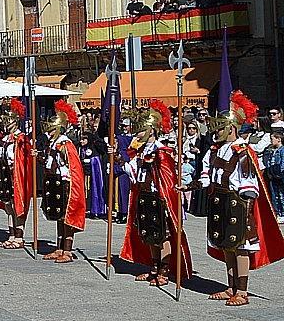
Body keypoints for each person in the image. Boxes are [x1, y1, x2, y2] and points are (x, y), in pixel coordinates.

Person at [200, 91, 284, 306]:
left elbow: (249, 184)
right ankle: (231, 287)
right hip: (221, 202)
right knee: (226, 246)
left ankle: (243, 291)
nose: (216, 131)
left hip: (238, 205)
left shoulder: (243, 151)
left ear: (231, 127)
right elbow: (208, 175)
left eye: (220, 126)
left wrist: (247, 210)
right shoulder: (216, 150)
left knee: (240, 246)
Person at [120, 100, 193, 285]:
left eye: (141, 129)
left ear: (151, 130)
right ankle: (153, 267)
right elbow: (135, 174)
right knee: (150, 234)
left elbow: (167, 178)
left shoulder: (162, 151)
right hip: (145, 196)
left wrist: (167, 201)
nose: (137, 133)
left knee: (164, 234)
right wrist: (121, 162)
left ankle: (164, 269)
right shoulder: (140, 150)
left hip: (160, 199)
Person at [40, 100, 86, 263]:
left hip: (66, 183)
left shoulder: (66, 144)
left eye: (52, 128)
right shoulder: (52, 143)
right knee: (58, 215)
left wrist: (61, 154)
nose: (49, 131)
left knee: (67, 217)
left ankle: (68, 250)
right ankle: (59, 247)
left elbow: (71, 164)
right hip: (55, 181)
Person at [0, 99, 33, 249]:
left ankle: (19, 238)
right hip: (5, 173)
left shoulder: (21, 138)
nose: (6, 125)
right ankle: (12, 234)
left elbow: (24, 158)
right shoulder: (5, 139)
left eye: (9, 122)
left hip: (16, 175)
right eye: (5, 122)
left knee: (17, 205)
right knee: (8, 205)